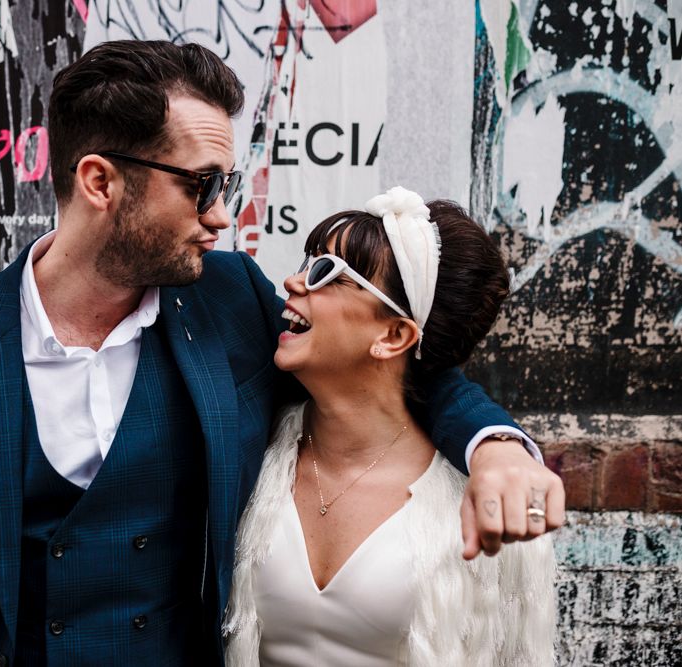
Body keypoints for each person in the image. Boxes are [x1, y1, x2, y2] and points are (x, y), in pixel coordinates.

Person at [0, 41, 561, 665]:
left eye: (229, 185)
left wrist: (496, 447)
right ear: (100, 181)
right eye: (202, 185)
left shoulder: (230, 299)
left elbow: (391, 371)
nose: (222, 216)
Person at [224, 188, 557, 665]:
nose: (294, 282)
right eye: (307, 262)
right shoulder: (252, 447)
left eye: (326, 274)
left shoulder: (485, 501)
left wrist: (498, 446)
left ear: (394, 335)